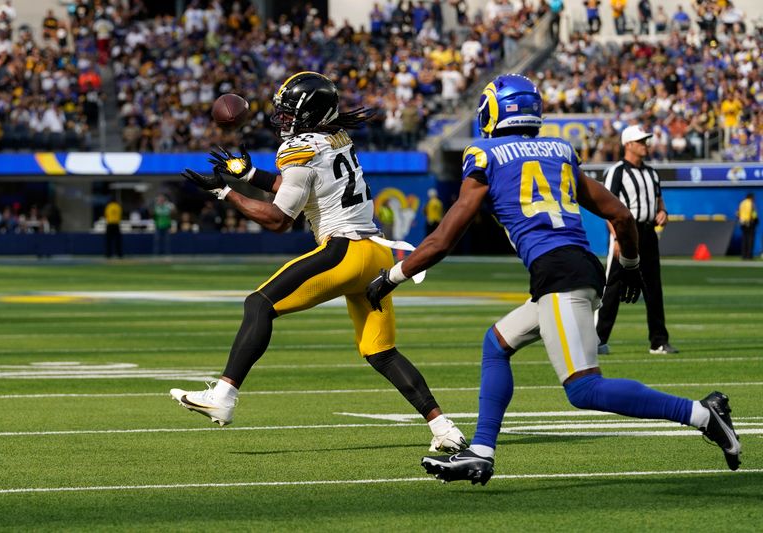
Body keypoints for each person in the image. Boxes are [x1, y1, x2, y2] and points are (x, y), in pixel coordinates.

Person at [365, 74, 741, 484]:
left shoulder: (485, 155)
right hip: (574, 266)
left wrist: (392, 276)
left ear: (494, 110)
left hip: (558, 273)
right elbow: (620, 214)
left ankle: (704, 415)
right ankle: (481, 452)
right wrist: (631, 266)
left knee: (584, 389)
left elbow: (441, 241)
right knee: (496, 342)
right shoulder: (559, 151)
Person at [170, 72, 467, 454]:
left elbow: (280, 219)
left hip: (343, 252)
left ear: (308, 112)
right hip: (374, 253)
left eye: (288, 111)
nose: (282, 118)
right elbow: (304, 185)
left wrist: (226, 191)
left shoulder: (298, 149)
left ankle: (224, 396)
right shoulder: (337, 138)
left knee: (258, 304)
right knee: (381, 352)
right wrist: (251, 175)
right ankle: (445, 429)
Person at [596, 125, 677, 355]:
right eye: (641, 141)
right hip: (626, 233)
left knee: (654, 287)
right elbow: (607, 208)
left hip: (649, 232)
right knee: (612, 287)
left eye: (646, 141)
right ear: (628, 145)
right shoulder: (617, 172)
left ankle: (659, 341)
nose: (645, 145)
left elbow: (659, 203)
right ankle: (597, 339)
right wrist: (617, 237)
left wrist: (663, 214)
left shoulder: (652, 173)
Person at [737, 193, 758, 260]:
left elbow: (737, 213)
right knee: (750, 239)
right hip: (750, 223)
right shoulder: (751, 203)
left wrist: (741, 220)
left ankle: (743, 255)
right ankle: (749, 255)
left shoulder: (742, 203)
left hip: (742, 223)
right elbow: (754, 214)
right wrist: (756, 221)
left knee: (744, 239)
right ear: (751, 197)